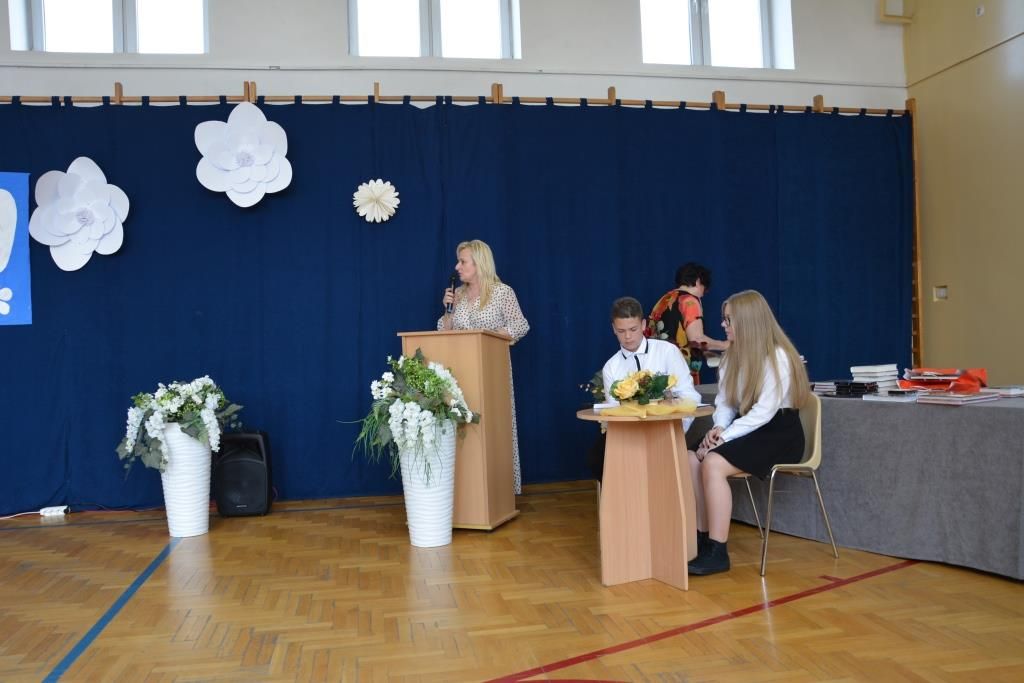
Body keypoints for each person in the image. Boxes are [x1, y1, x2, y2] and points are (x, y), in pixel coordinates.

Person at [687, 290, 810, 576]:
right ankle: (701, 539)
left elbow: (764, 412)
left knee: (713, 462)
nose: (723, 324)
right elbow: (726, 402)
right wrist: (718, 427)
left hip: (779, 432)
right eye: (724, 318)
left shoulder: (778, 357)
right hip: (746, 426)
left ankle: (718, 551)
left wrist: (723, 439)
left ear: (748, 321)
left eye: (728, 319)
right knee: (692, 457)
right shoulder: (732, 356)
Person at [438, 239, 529, 493]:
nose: (457, 267)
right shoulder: (458, 295)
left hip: (491, 372)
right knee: (465, 429)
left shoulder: (502, 292)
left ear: (479, 263)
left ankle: (498, 491)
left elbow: (520, 325)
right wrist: (448, 311)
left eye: (462, 261)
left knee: (492, 429)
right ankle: (469, 491)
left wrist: (490, 336)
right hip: (461, 374)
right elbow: (443, 332)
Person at [588, 296, 702, 482]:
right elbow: (615, 413)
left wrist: (676, 433)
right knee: (598, 458)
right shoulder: (612, 366)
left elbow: (689, 396)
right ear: (613, 329)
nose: (628, 337)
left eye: (633, 329)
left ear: (643, 325)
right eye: (621, 331)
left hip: (666, 430)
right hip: (629, 436)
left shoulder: (667, 351)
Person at [645, 262, 730, 386]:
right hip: (679, 373)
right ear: (698, 281)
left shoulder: (663, 300)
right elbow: (697, 340)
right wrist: (725, 345)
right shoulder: (689, 301)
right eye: (704, 289)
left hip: (657, 372)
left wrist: (705, 352)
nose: (703, 294)